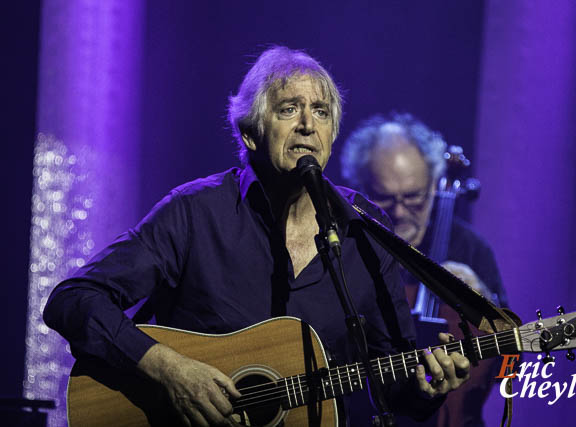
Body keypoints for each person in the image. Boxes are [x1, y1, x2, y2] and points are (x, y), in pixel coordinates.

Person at [43, 48, 471, 426]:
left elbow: (388, 380)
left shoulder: (365, 228)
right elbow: (73, 300)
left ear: (332, 136)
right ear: (250, 132)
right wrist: (170, 370)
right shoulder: (196, 212)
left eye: (321, 112)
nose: (307, 125)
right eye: (288, 109)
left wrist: (427, 387)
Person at [341, 113, 508, 427]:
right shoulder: (346, 249)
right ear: (360, 188)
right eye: (384, 197)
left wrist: (485, 303)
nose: (400, 212)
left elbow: (510, 366)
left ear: (434, 184)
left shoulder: (470, 248)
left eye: (414, 197)